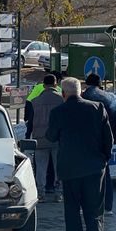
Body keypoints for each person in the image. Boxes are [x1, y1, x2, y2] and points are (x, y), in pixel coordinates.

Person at [46, 77, 113, 231]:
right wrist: (103, 160)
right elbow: (108, 139)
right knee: (94, 213)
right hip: (94, 169)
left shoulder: (59, 111)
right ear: (81, 91)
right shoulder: (97, 108)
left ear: (63, 94)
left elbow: (51, 137)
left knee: (72, 213)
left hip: (70, 170)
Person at [81, 73, 116, 216]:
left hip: (91, 139)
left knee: (88, 174)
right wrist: (113, 124)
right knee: (105, 172)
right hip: (106, 139)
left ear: (87, 83)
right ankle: (108, 207)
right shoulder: (108, 96)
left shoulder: (86, 96)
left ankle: (90, 205)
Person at [30, 74, 64, 202]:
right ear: (56, 84)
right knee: (58, 167)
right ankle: (58, 193)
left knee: (41, 167)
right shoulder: (61, 100)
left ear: (43, 85)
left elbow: (30, 121)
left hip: (40, 138)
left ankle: (41, 193)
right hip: (57, 138)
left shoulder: (35, 101)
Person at [24, 71, 62, 138]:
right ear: (56, 84)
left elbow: (28, 101)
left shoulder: (38, 88)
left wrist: (27, 136)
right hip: (56, 137)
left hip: (39, 137)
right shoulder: (61, 96)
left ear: (44, 85)